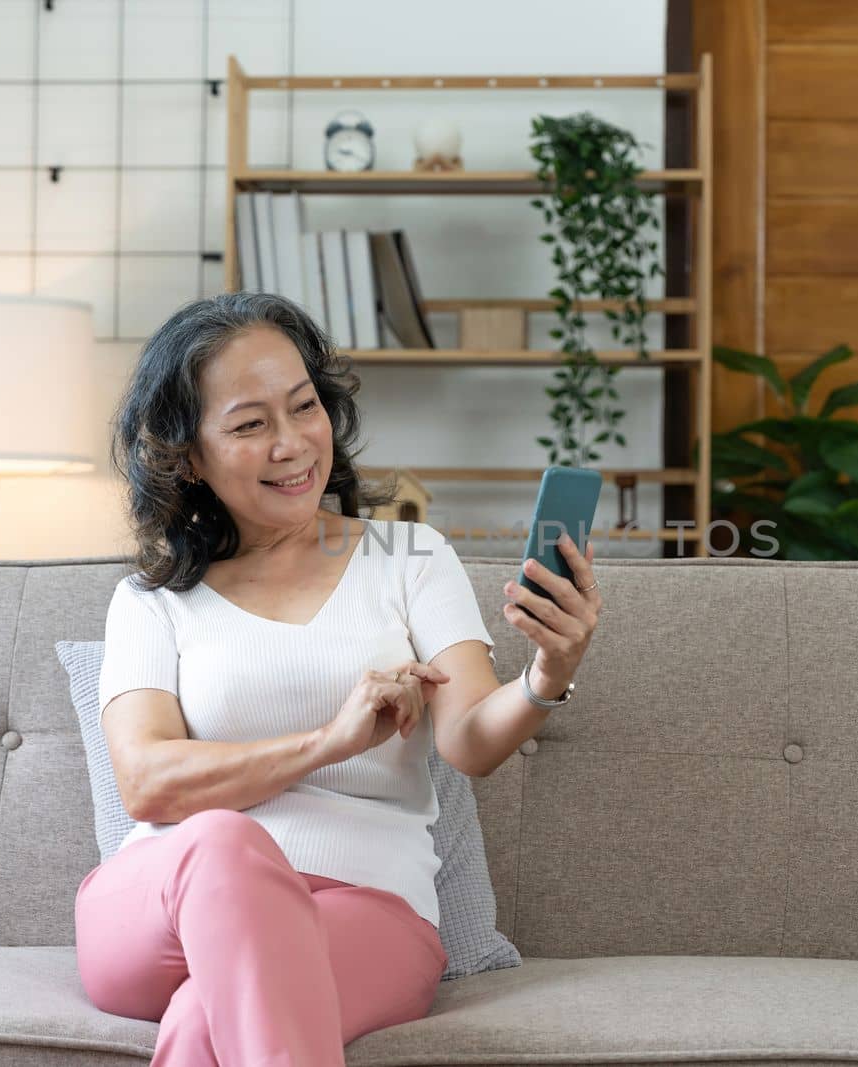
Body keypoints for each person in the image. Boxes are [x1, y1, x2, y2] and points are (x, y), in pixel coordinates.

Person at [73, 291, 603, 1066]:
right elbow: (150, 782)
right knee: (223, 838)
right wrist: (330, 739)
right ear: (187, 455)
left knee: (201, 1021)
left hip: (369, 910)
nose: (292, 444)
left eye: (304, 407)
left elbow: (469, 742)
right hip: (163, 908)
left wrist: (549, 671)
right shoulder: (152, 601)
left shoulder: (410, 557)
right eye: (252, 425)